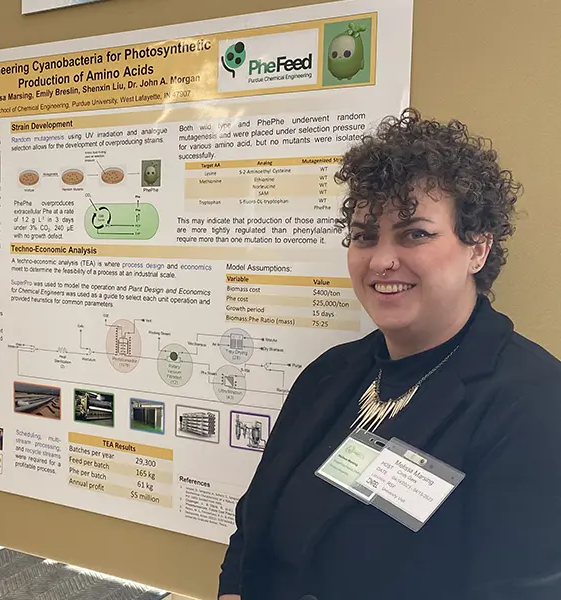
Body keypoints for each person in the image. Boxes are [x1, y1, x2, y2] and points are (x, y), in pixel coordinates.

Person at [218, 109, 561, 600]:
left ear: (477, 249)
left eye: (415, 233)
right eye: (364, 236)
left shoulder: (535, 402)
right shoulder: (330, 374)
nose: (381, 260)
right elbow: (251, 529)